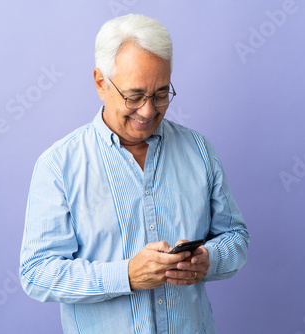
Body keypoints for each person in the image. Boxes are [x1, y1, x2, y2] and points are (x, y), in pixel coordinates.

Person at [19, 13, 250, 333]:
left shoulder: (199, 151)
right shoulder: (58, 166)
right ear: (101, 82)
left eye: (160, 94)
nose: (148, 110)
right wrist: (125, 275)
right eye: (134, 96)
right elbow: (36, 272)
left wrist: (208, 259)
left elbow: (236, 238)